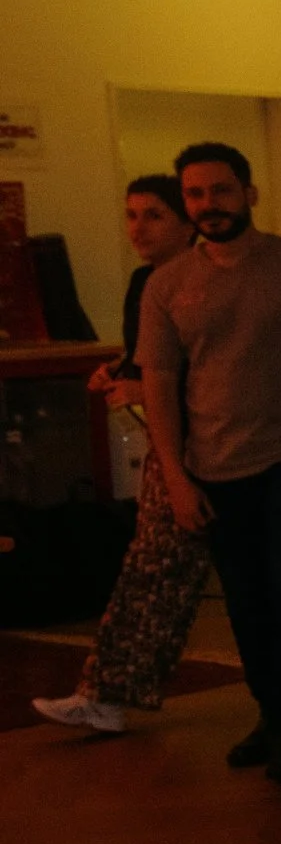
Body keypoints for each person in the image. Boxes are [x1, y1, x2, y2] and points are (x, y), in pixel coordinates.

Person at [136, 142, 281, 789]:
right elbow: (158, 383)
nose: (208, 204)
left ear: (249, 193)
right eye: (195, 194)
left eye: (220, 190)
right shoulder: (167, 285)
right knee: (245, 604)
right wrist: (175, 477)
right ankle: (273, 714)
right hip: (214, 468)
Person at [34, 178, 202, 734]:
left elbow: (213, 368)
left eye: (153, 215)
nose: (138, 228)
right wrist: (119, 372)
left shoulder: (206, 282)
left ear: (186, 222)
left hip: (211, 446)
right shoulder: (144, 282)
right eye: (131, 215)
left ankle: (106, 694)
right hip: (171, 449)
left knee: (159, 572)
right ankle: (105, 693)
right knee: (156, 570)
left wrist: (145, 389)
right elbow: (146, 356)